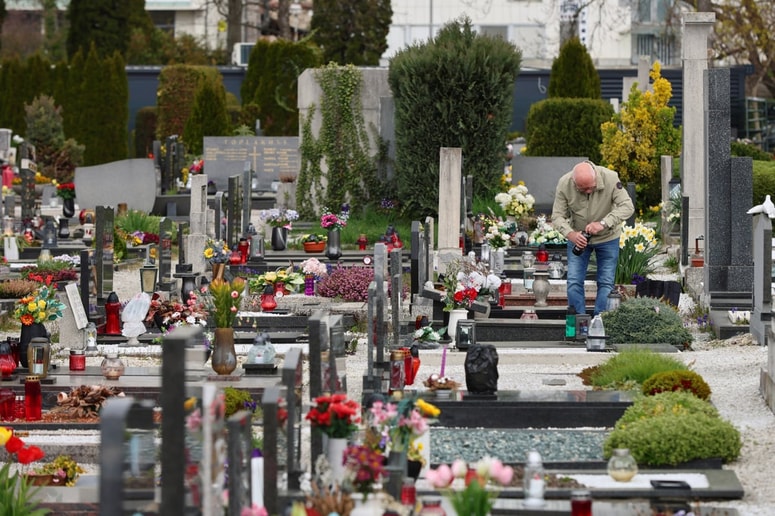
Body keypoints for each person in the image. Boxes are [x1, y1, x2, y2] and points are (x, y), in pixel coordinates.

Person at [551, 160, 634, 315]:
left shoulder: (610, 178)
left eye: (591, 187)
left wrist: (603, 223)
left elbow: (627, 207)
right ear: (574, 182)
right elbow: (557, 216)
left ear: (596, 177)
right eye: (582, 189)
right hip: (578, 238)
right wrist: (571, 234)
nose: (588, 192)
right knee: (574, 281)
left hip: (608, 237)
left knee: (606, 282)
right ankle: (577, 322)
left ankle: (600, 321)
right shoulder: (564, 183)